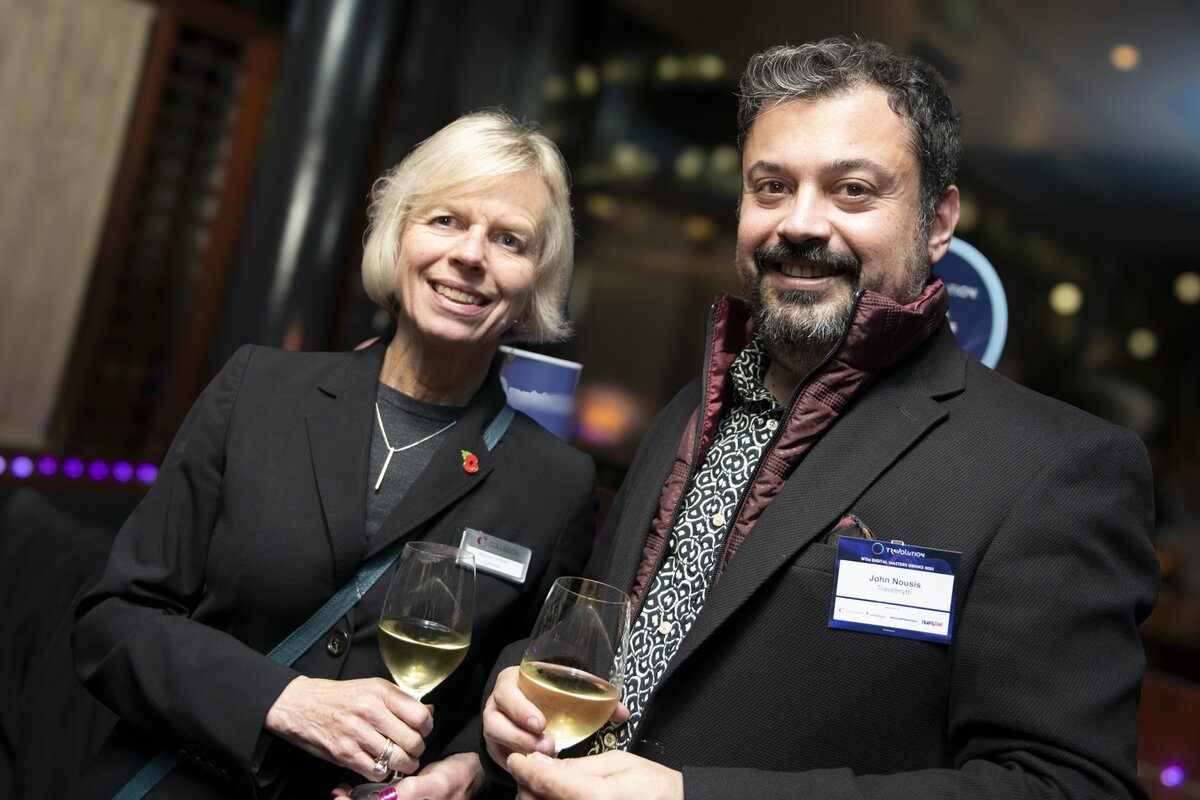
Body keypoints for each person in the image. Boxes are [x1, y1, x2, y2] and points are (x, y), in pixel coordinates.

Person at [481, 37, 1159, 800]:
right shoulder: (695, 406)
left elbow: (1065, 787)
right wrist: (513, 693)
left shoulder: (1054, 469)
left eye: (853, 190)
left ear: (938, 222)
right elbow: (600, 638)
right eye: (771, 186)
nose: (800, 223)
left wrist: (693, 798)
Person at [71, 109, 597, 800]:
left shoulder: (555, 484)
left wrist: (470, 771)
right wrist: (281, 700)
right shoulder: (258, 390)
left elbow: (517, 699)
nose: (471, 254)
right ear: (399, 234)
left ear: (537, 277)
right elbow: (110, 623)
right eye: (445, 220)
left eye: (509, 239)